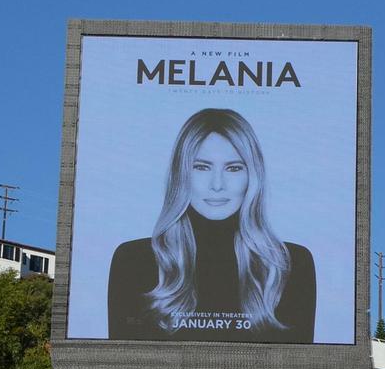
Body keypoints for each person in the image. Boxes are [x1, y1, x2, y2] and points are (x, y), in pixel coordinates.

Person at [108, 108, 316, 343]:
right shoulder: (134, 261)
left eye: (234, 168)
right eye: (201, 167)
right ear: (181, 174)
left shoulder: (290, 264)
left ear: (252, 176)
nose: (217, 185)